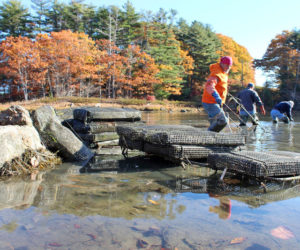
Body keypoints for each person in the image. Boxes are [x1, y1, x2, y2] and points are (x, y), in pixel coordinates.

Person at [202, 56, 232, 132]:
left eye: (230, 66)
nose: (228, 67)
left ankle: (212, 139)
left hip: (216, 102)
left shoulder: (223, 73)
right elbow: (209, 85)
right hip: (210, 102)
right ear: (222, 64)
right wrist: (216, 95)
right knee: (223, 121)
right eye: (227, 65)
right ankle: (208, 134)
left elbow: (220, 86)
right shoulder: (216, 73)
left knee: (215, 123)